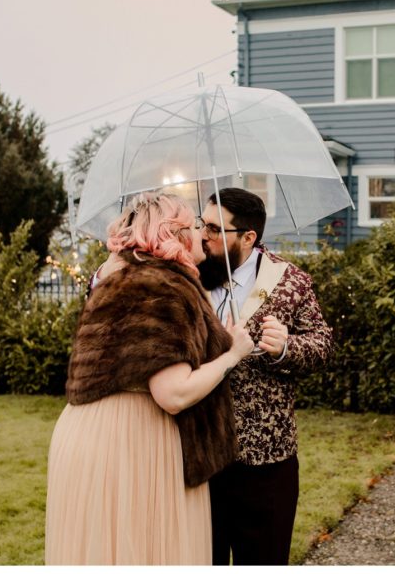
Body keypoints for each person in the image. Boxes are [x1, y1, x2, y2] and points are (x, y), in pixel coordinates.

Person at [44, 191, 254, 565]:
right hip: (131, 443)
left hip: (85, 434)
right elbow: (172, 393)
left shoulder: (119, 276)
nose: (202, 234)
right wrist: (232, 355)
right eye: (194, 225)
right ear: (175, 234)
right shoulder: (165, 287)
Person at [198, 187, 334, 565]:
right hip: (199, 453)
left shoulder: (290, 281)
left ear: (248, 237)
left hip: (267, 458)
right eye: (202, 224)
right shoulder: (188, 277)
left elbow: (323, 345)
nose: (203, 235)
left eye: (213, 228)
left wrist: (287, 347)